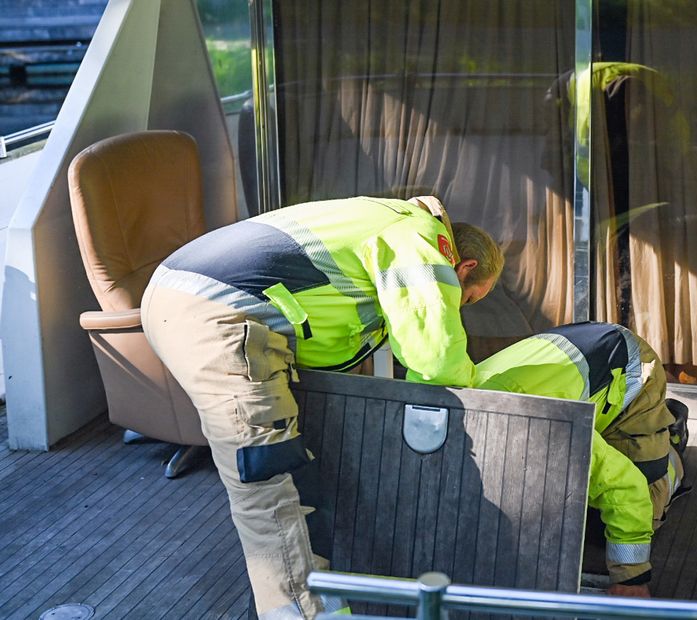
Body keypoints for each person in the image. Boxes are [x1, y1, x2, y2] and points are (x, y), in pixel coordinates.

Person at [141, 195, 503, 619]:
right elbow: (435, 353)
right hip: (220, 314)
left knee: (298, 474)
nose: (459, 308)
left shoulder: (387, 220)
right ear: (464, 268)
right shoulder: (419, 237)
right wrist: (478, 394)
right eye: (469, 299)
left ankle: (327, 602)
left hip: (203, 303)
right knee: (270, 483)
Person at [474, 321, 689, 598]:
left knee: (639, 511)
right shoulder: (450, 412)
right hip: (570, 362)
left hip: (629, 367)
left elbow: (625, 487)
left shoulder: (547, 426)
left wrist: (631, 577)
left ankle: (670, 443)